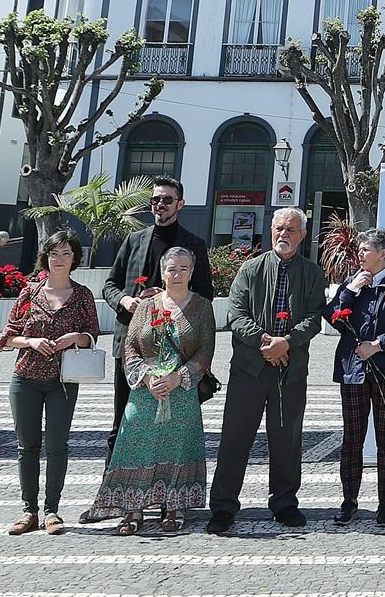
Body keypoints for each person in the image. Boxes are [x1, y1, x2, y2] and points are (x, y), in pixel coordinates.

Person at [208, 207, 327, 536]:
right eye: (278, 228)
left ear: (302, 235)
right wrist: (266, 342)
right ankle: (223, 506)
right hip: (249, 368)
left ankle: (285, 502)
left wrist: (286, 342)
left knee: (286, 439)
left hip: (290, 370)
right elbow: (236, 314)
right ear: (270, 230)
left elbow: (315, 317)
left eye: (291, 229)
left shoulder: (312, 273)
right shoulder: (250, 269)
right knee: (235, 438)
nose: (283, 234)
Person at [88, 245, 217, 535]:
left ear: (192, 272)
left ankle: (174, 505)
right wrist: (147, 378)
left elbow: (205, 351)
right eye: (172, 268)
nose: (177, 273)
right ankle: (132, 507)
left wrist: (178, 377)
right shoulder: (146, 306)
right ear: (162, 272)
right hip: (146, 391)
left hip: (182, 390)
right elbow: (131, 346)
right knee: (133, 443)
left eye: (184, 268)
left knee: (177, 446)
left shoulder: (202, 307)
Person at [99, 177, 214, 463]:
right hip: (133, 347)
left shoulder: (194, 244)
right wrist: (125, 300)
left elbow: (205, 293)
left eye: (166, 199)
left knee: (170, 427)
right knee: (123, 420)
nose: (160, 205)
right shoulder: (134, 240)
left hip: (177, 351)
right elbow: (110, 285)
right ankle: (112, 494)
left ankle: (166, 498)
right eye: (155, 200)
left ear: (180, 204)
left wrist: (170, 296)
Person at [0, 229, 100, 535]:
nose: (60, 259)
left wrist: (76, 337)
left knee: (57, 445)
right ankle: (28, 510)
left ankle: (52, 510)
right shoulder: (29, 293)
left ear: (75, 259)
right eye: (55, 253)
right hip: (26, 376)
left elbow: (93, 333)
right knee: (26, 446)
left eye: (66, 253)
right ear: (46, 256)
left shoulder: (82, 295)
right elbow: (7, 337)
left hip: (63, 379)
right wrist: (30, 341)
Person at [325, 225, 385, 526]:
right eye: (360, 249)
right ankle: (349, 500)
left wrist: (378, 345)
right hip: (353, 372)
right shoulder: (352, 284)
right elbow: (334, 317)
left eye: (365, 250)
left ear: (383, 253)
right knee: (352, 438)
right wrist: (351, 291)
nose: (360, 255)